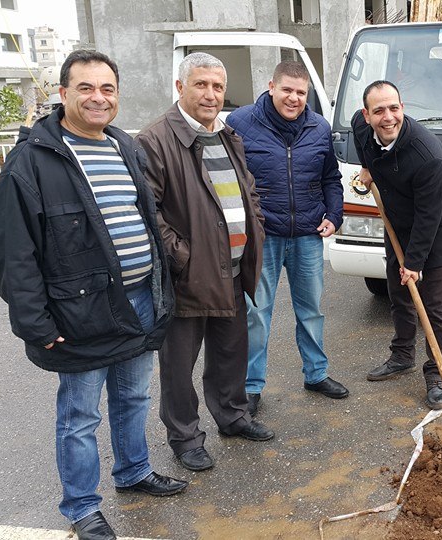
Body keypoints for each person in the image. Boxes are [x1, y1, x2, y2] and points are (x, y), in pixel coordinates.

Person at [0, 50, 187, 540]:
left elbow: (143, 218)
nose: (98, 98)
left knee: (133, 397)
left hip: (140, 299)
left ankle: (134, 472)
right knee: (80, 416)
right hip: (78, 312)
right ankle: (81, 507)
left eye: (107, 89)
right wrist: (36, 323)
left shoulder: (125, 146)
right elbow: (14, 253)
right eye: (86, 88)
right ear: (63, 94)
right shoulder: (31, 162)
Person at [136, 52, 274, 473]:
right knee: (179, 365)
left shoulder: (228, 135)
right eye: (201, 84)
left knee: (231, 353)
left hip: (230, 271)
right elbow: (147, 212)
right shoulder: (155, 140)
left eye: (217, 86)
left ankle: (232, 416)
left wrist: (255, 228)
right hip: (187, 278)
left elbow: (246, 190)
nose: (211, 94)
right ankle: (185, 437)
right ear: (180, 87)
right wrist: (184, 256)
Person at [226, 61, 349, 416]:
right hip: (262, 236)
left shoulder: (319, 127)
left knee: (310, 310)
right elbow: (229, 180)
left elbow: (331, 178)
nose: (294, 98)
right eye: (287, 90)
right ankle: (251, 386)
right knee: (256, 313)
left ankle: (316, 374)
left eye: (301, 92)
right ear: (271, 86)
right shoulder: (241, 123)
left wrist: (335, 215)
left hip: (307, 235)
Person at [352, 80, 442, 410]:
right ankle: (402, 356)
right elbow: (362, 144)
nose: (388, 117)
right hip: (397, 221)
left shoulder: (428, 156)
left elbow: (429, 218)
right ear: (366, 114)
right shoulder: (361, 127)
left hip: (436, 228)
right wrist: (369, 168)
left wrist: (413, 264)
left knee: (434, 304)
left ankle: (437, 374)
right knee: (397, 294)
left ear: (403, 108)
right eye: (379, 110)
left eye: (394, 108)